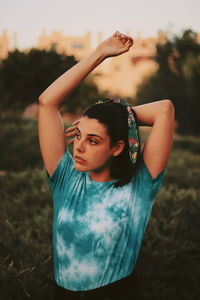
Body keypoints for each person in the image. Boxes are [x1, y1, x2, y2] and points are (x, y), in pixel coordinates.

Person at [38, 31, 175, 300]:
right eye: (79, 136)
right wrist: (100, 52)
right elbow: (47, 102)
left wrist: (115, 117)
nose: (78, 147)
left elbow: (164, 110)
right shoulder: (66, 177)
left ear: (117, 147)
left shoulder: (140, 185)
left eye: (93, 140)